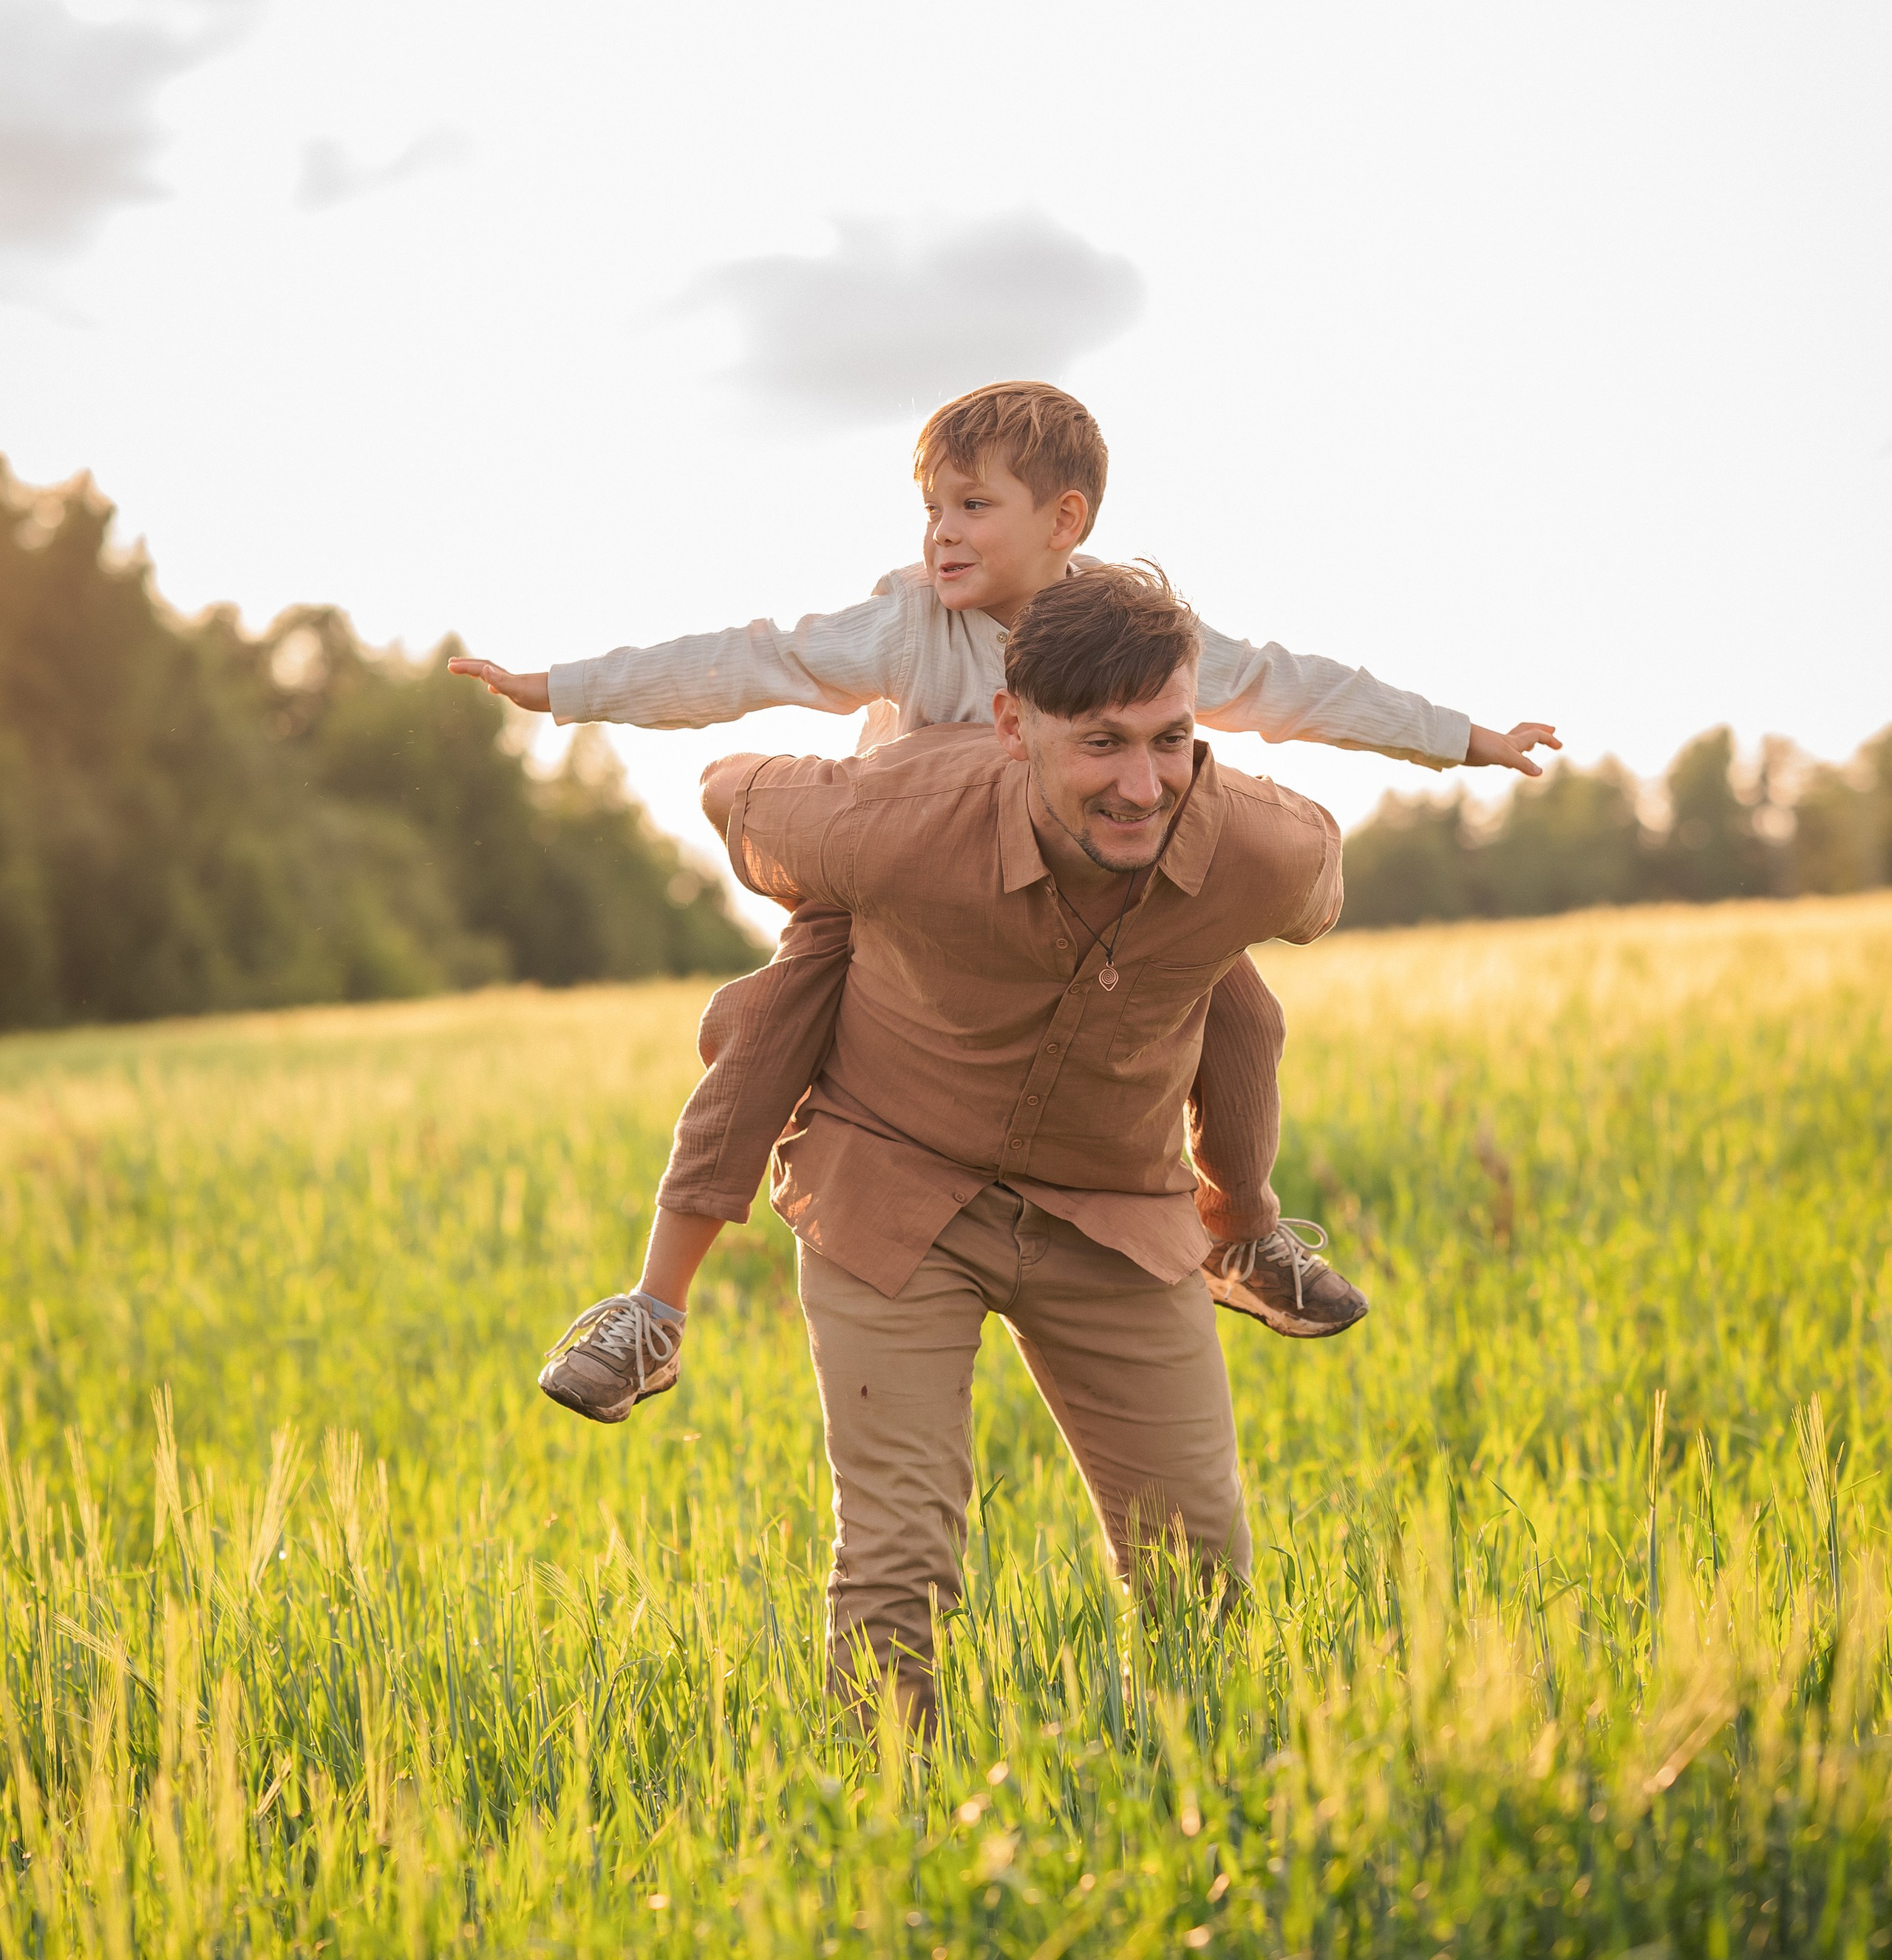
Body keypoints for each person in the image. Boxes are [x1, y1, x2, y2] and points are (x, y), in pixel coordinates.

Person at [449, 380, 1558, 1418]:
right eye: (932, 507)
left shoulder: (1136, 637)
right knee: (769, 1022)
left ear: (1065, 519)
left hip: (1096, 886)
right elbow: (749, 662)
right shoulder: (906, 625)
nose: (942, 531)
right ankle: (655, 1307)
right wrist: (564, 691)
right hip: (898, 881)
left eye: (975, 506)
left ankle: (1245, 1234)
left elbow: (1290, 686)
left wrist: (1467, 741)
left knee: (1248, 1014)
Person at [701, 562, 1340, 1719]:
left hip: (1115, 1215)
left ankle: (1196, 1810)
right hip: (893, 1190)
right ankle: (890, 1837)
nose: (1143, 786)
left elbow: (1310, 895)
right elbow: (731, 790)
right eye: (1101, 744)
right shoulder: (891, 824)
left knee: (1202, 1575)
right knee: (901, 1567)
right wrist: (819, 857)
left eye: (1170, 739)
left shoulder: (1263, 849)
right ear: (1011, 726)